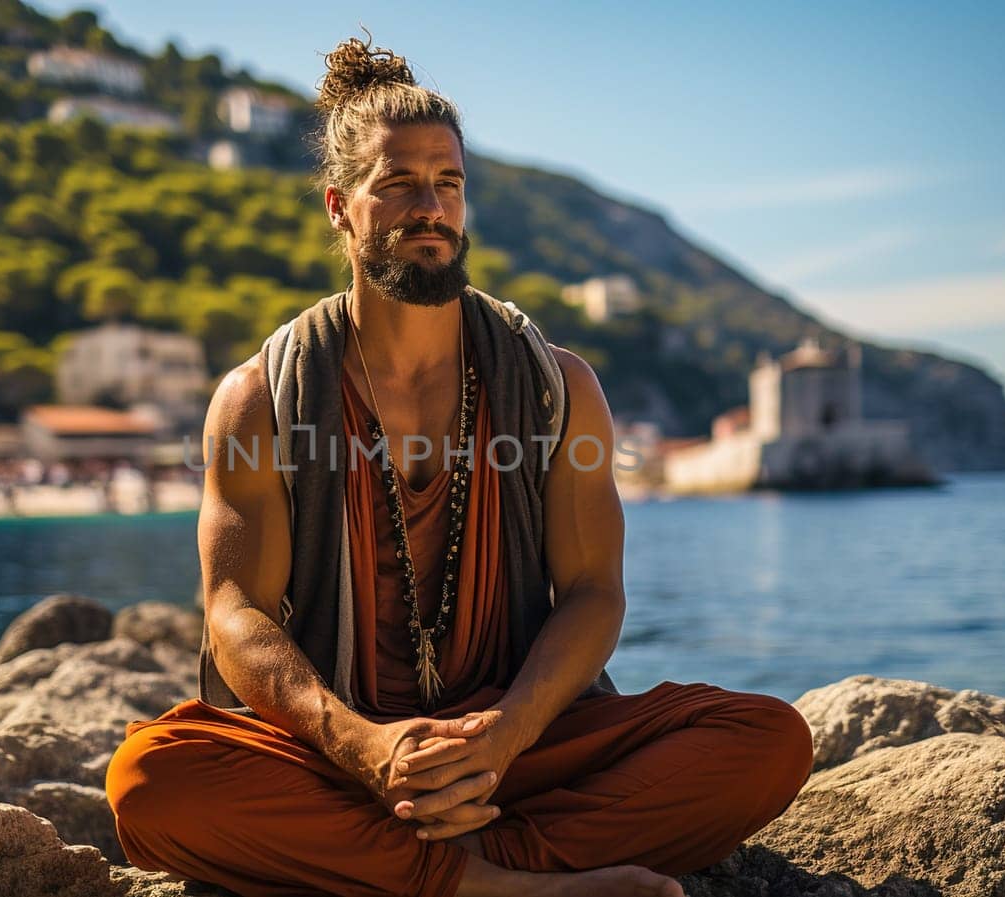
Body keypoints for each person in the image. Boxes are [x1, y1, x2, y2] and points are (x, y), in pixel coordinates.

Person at [106, 37, 813, 897]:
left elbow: (594, 591)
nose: (429, 207)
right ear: (339, 206)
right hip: (345, 754)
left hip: (514, 747)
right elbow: (235, 612)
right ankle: (512, 884)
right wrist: (363, 745)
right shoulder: (262, 399)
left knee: (767, 740)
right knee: (150, 778)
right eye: (397, 183)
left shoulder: (558, 387)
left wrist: (504, 736)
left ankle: (433, 871)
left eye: (448, 182)